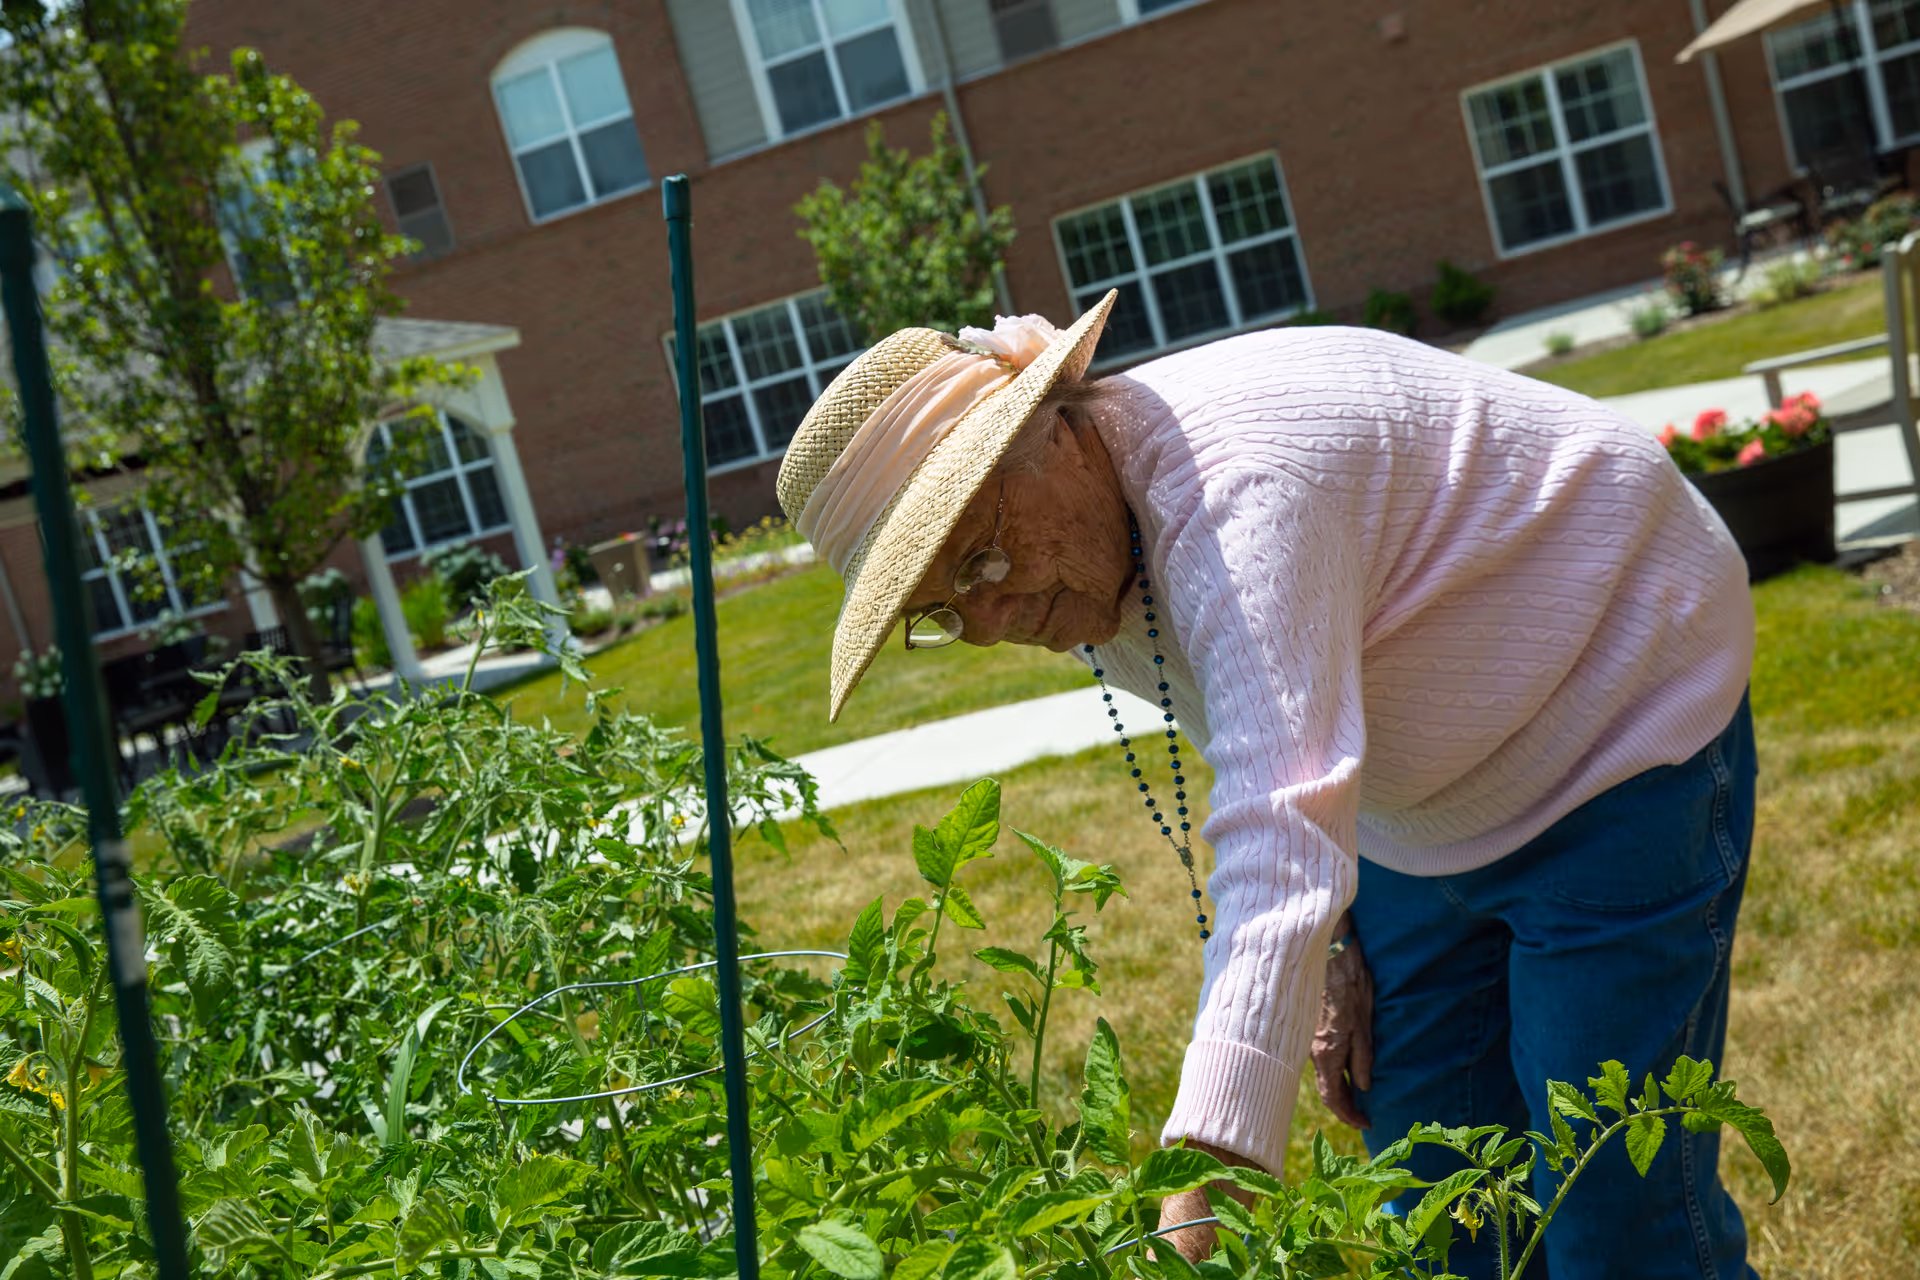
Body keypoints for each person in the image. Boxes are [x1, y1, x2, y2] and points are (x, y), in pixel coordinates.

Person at [775, 292, 1759, 1279]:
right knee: (1438, 1202)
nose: (990, 620)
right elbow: (1268, 738)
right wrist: (1336, 944)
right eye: (940, 608)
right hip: (1420, 822)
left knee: (1615, 1218)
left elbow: (1276, 826)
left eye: (981, 555)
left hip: (1617, 731)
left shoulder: (1238, 490)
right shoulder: (1077, 545)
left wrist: (1201, 1177)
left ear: (1052, 433)